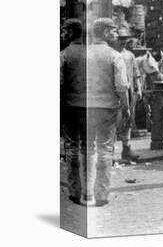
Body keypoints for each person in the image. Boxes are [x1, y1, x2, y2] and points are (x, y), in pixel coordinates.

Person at [80, 18, 129, 206]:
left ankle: (86, 193)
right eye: (114, 31)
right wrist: (126, 107)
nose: (116, 34)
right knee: (105, 150)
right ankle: (101, 194)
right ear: (106, 32)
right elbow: (122, 86)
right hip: (107, 109)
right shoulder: (115, 56)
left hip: (85, 107)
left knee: (88, 150)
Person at [60, 19, 86, 204]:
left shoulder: (63, 55)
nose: (62, 34)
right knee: (88, 148)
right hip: (90, 107)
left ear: (70, 32)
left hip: (70, 107)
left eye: (64, 31)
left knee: (71, 147)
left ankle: (75, 190)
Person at [113, 28, 142, 162]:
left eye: (125, 39)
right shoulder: (112, 54)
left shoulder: (130, 55)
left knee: (128, 120)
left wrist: (139, 88)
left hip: (129, 92)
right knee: (114, 121)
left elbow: (136, 73)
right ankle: (111, 153)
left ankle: (127, 149)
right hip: (114, 92)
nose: (123, 42)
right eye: (120, 39)